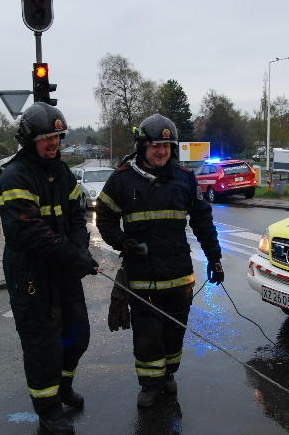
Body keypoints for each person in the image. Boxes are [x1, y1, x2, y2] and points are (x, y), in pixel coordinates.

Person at [95, 113, 224, 408]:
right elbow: (105, 216)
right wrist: (122, 241)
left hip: (178, 274)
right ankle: (149, 385)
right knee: (147, 331)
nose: (162, 151)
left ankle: (168, 374)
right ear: (143, 146)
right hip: (142, 273)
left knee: (174, 329)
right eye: (155, 145)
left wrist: (214, 258)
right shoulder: (123, 179)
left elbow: (203, 222)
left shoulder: (185, 179)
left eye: (167, 145)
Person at [0, 102, 98, 435]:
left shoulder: (62, 172)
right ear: (29, 140)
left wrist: (81, 247)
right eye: (46, 138)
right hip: (31, 275)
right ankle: (48, 408)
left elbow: (77, 214)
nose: (54, 144)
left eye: (58, 136)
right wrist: (73, 255)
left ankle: (62, 386)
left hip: (64, 270)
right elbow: (28, 232)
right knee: (42, 346)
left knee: (77, 334)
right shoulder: (14, 177)